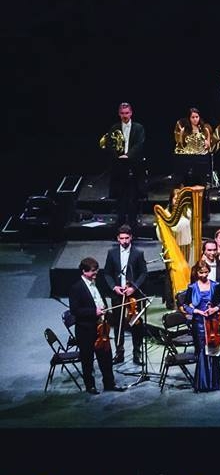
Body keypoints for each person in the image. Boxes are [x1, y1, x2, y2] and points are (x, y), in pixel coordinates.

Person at [69, 257, 122, 394]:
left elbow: (99, 299)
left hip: (101, 328)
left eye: (96, 271)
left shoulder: (96, 283)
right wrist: (94, 311)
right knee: (87, 359)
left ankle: (109, 383)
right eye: (93, 271)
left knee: (106, 357)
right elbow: (75, 310)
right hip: (86, 329)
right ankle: (90, 386)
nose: (95, 274)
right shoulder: (76, 288)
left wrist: (104, 308)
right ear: (84, 271)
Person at [101, 225, 148, 366]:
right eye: (122, 238)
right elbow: (107, 273)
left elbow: (143, 273)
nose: (124, 241)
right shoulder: (112, 253)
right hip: (118, 294)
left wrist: (133, 287)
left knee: (136, 324)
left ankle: (137, 352)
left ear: (131, 237)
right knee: (118, 323)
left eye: (127, 238)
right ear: (118, 238)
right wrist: (114, 287)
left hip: (134, 295)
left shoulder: (138, 253)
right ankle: (119, 352)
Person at [177, 261, 220, 392]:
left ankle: (214, 383)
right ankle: (202, 384)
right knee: (202, 350)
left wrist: (215, 309)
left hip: (212, 321)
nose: (204, 275)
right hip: (198, 322)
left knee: (214, 349)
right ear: (196, 273)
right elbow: (185, 306)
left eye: (206, 272)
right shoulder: (192, 287)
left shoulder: (215, 285)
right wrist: (196, 311)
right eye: (201, 272)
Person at [101, 101, 145, 228]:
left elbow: (139, 144)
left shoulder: (139, 127)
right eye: (122, 113)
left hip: (133, 165)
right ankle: (120, 219)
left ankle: (132, 220)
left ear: (131, 113)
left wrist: (128, 155)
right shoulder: (114, 128)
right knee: (120, 194)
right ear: (119, 114)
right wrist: (118, 156)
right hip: (119, 164)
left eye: (127, 113)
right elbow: (109, 144)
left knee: (133, 194)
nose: (125, 116)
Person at [174, 107, 215, 187]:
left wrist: (206, 143)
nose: (195, 119)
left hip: (201, 158)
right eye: (193, 117)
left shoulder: (204, 129)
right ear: (189, 118)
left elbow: (209, 146)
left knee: (201, 180)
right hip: (188, 158)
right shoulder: (184, 130)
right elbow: (181, 145)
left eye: (197, 117)